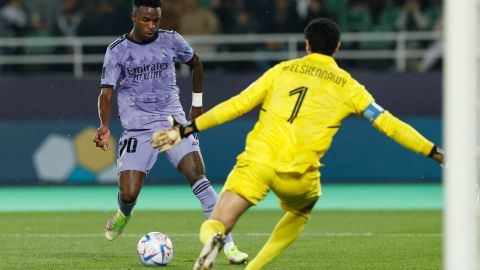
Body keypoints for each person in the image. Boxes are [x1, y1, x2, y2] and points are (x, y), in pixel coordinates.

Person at [151, 18, 444, 270]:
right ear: (337, 48)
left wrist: (187, 129)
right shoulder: (349, 87)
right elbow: (390, 124)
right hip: (299, 175)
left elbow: (237, 106)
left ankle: (214, 240)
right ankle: (254, 267)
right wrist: (433, 151)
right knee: (301, 211)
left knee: (217, 222)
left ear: (306, 44)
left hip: (258, 162)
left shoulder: (281, 71)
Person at [92, 0, 248, 264]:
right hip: (137, 126)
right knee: (129, 192)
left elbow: (196, 64)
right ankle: (123, 213)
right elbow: (106, 92)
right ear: (133, 17)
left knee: (197, 176)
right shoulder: (117, 51)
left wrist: (196, 106)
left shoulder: (171, 40)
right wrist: (105, 126)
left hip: (172, 122)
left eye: (156, 20)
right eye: (146, 20)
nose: (152, 26)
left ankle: (229, 245)